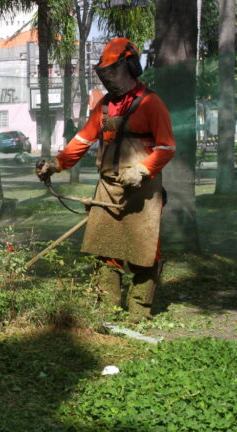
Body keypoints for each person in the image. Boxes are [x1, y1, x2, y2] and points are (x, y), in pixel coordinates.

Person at [36, 38, 175, 322]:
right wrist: (55, 164)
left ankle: (139, 312)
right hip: (108, 187)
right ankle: (107, 309)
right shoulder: (103, 106)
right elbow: (82, 140)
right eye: (105, 73)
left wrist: (142, 170)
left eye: (113, 72)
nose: (109, 79)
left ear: (130, 67)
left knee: (145, 251)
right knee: (104, 248)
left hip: (143, 190)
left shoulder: (151, 103)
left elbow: (167, 147)